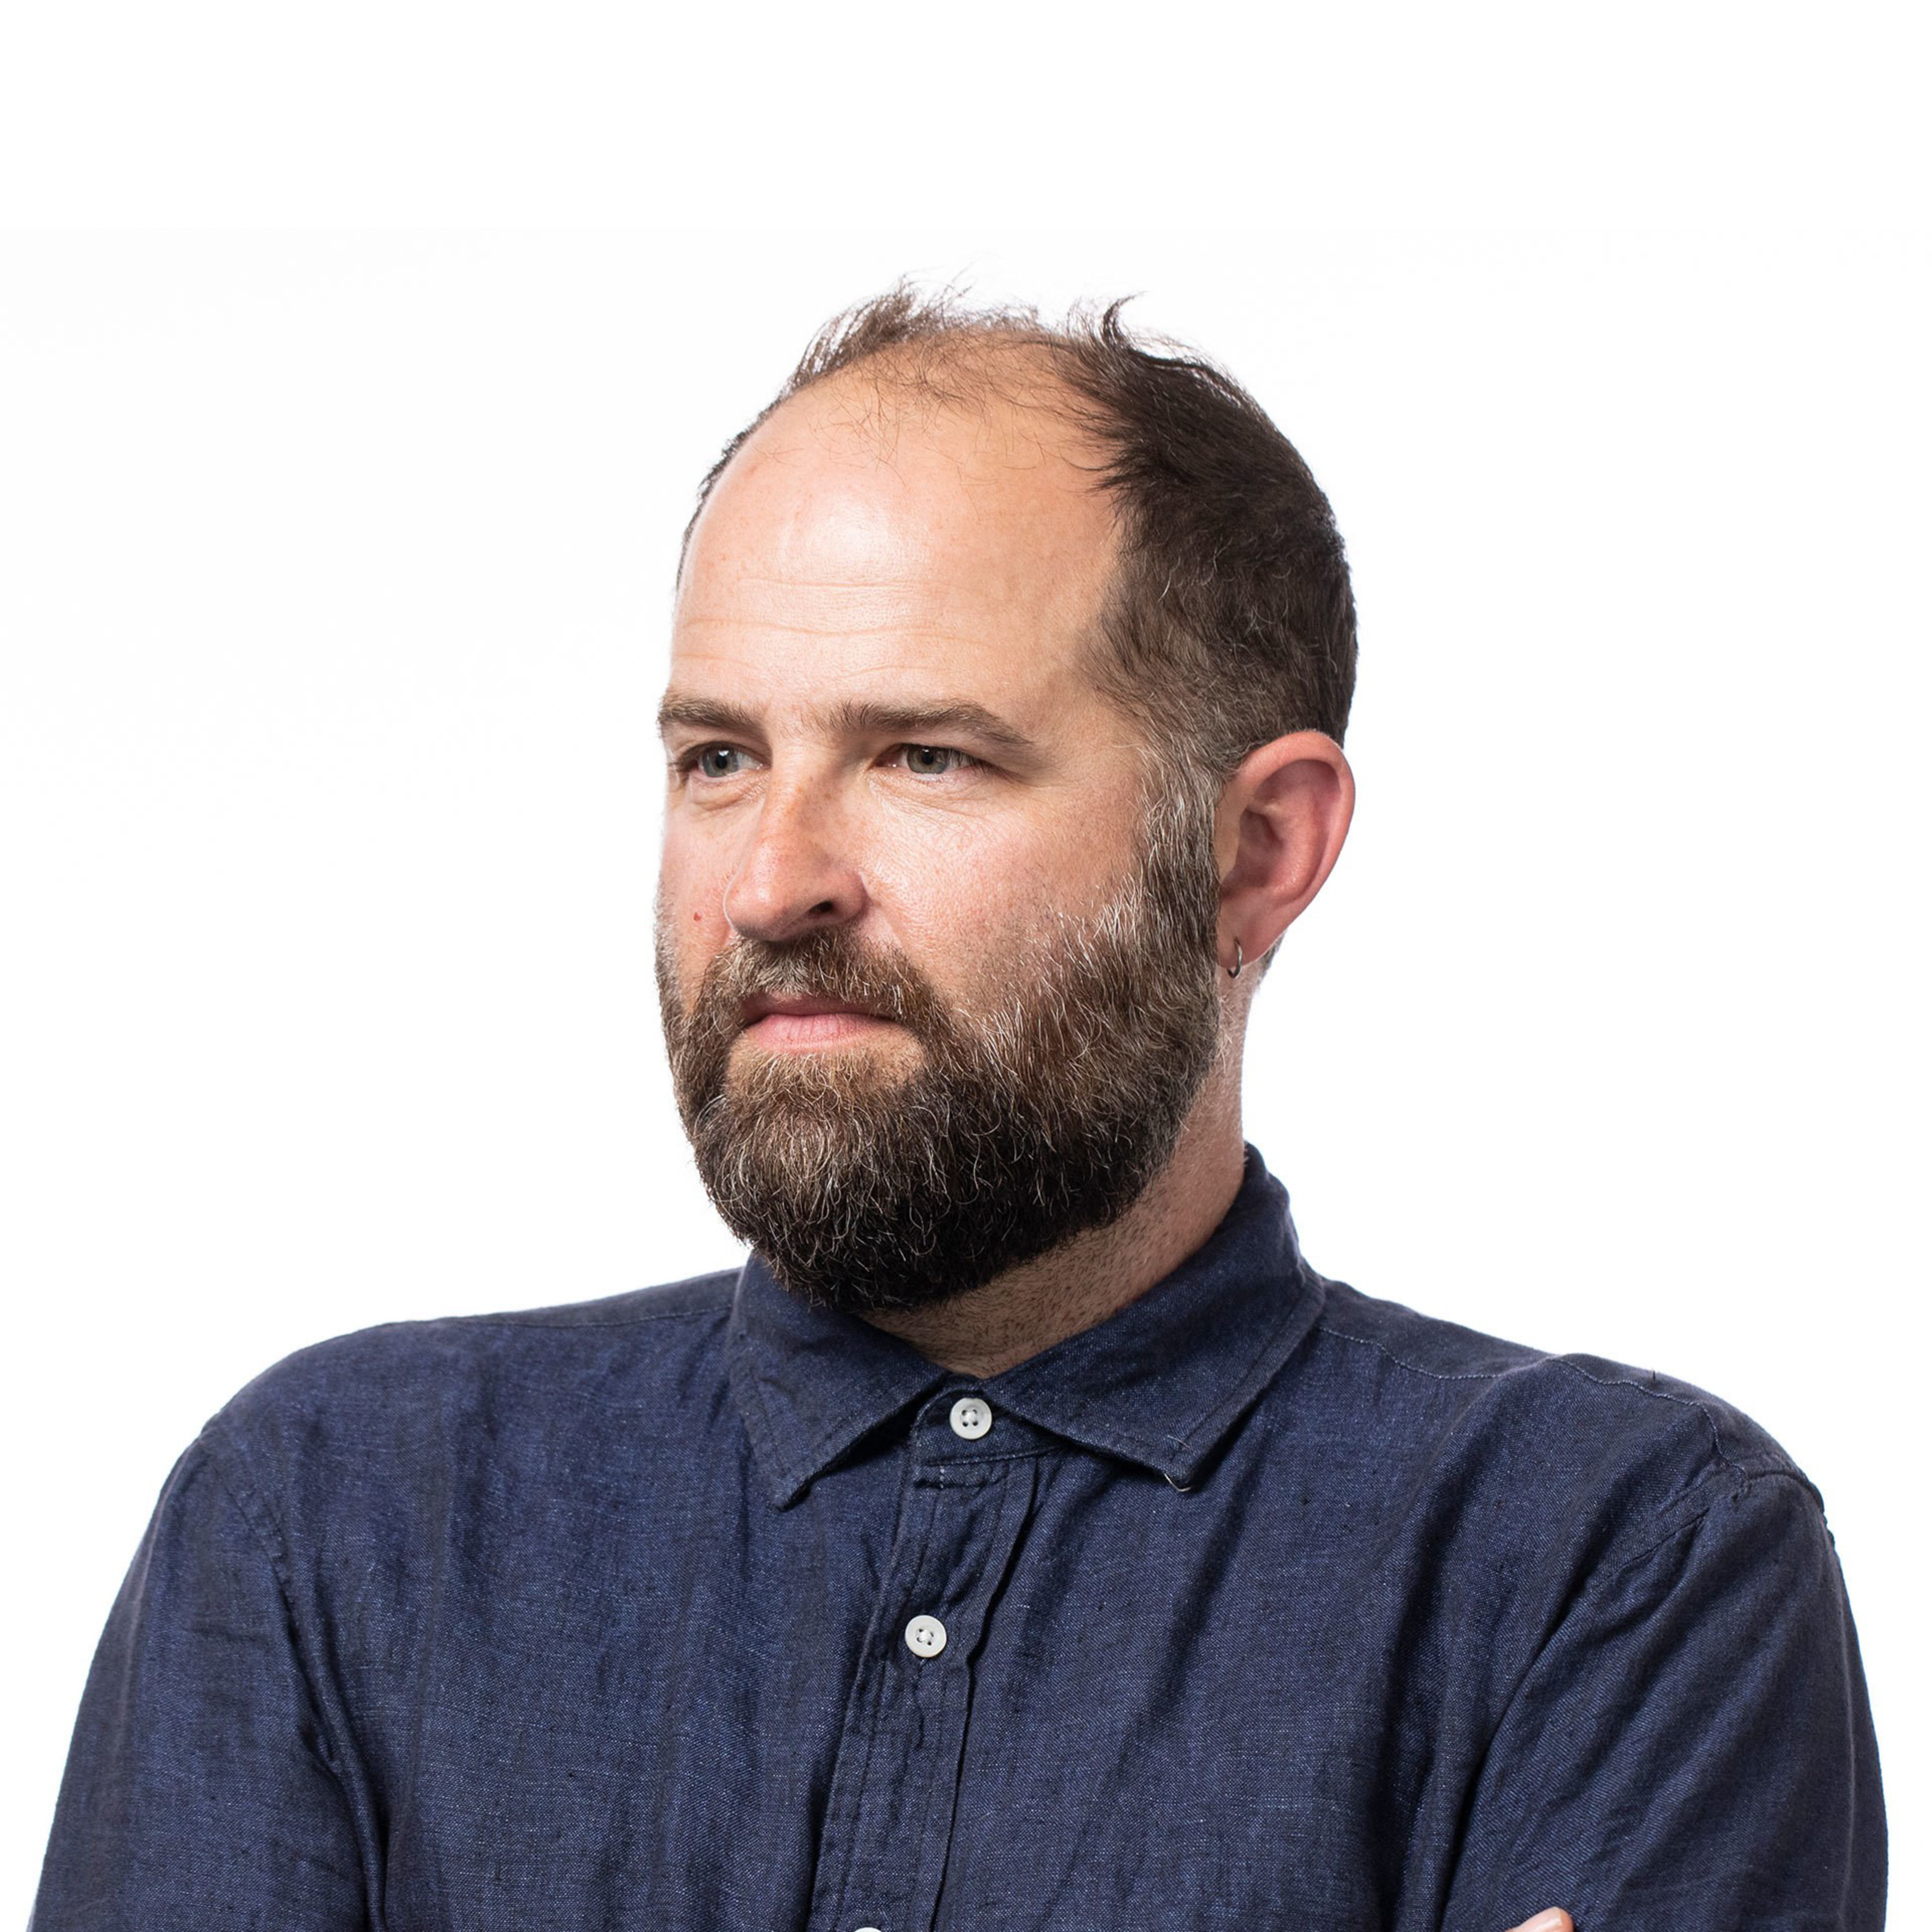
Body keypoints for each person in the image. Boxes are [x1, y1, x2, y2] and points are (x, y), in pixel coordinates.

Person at [31, 286, 1885, 1931]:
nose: (774, 882)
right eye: (719, 758)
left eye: (925, 756)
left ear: (1255, 853)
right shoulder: (334, 1519)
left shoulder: (1618, 1567)